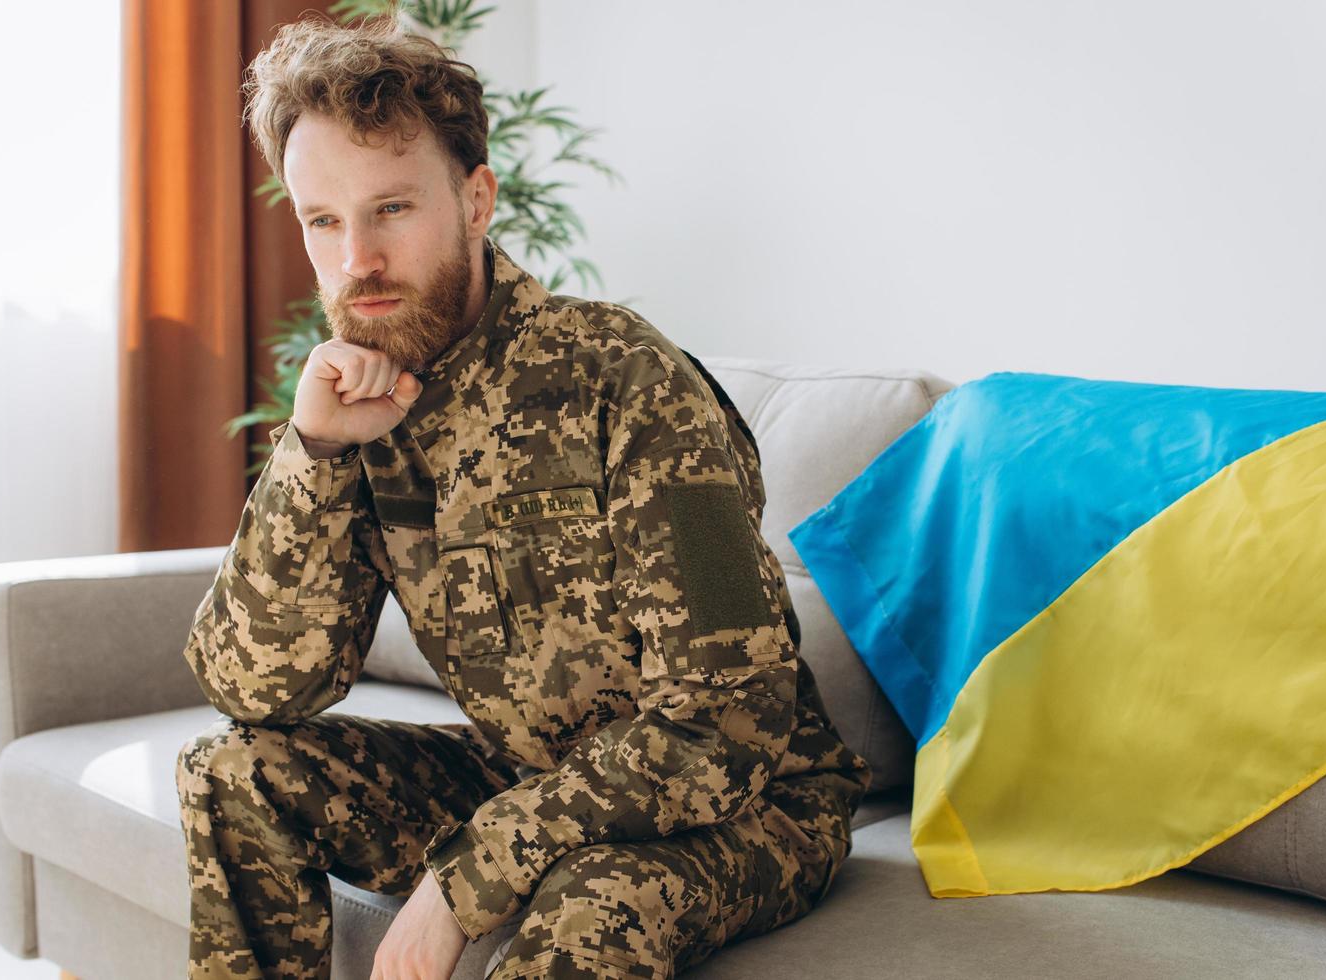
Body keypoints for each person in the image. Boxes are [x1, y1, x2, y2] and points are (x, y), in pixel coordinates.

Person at [176, 14, 870, 980]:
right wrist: (317, 453)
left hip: (755, 801)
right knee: (231, 772)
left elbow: (726, 723)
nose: (355, 261)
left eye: (391, 210)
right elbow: (253, 692)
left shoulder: (624, 378)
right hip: (539, 776)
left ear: (475, 200)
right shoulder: (362, 402)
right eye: (322, 221)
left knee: (602, 902)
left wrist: (466, 883)